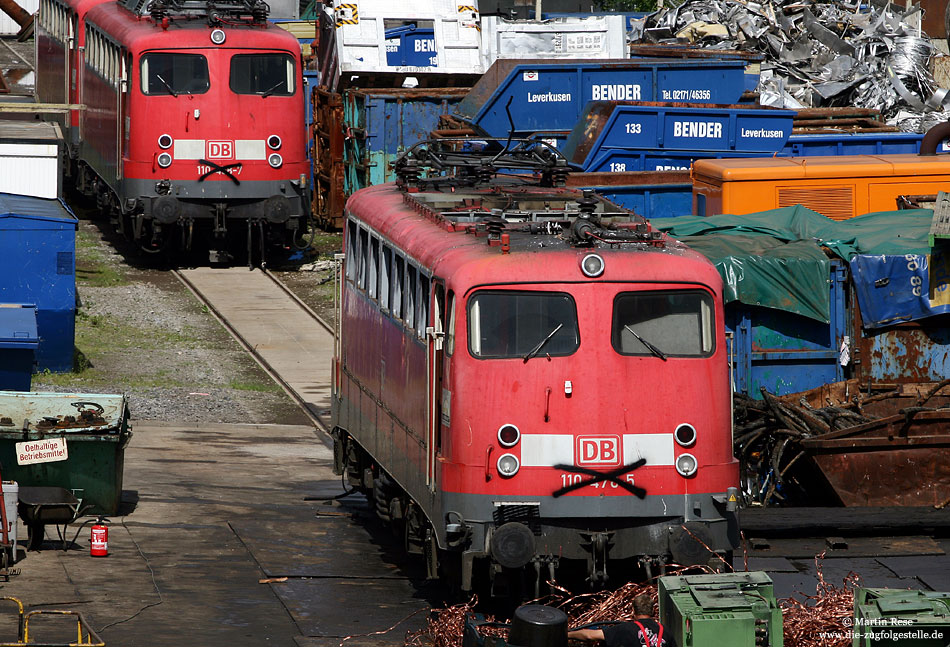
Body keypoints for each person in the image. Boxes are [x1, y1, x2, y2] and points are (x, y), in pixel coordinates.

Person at [567, 593, 676, 647]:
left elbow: (589, 636)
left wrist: (567, 634)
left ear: (633, 611)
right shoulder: (666, 631)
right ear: (653, 611)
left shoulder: (625, 629)